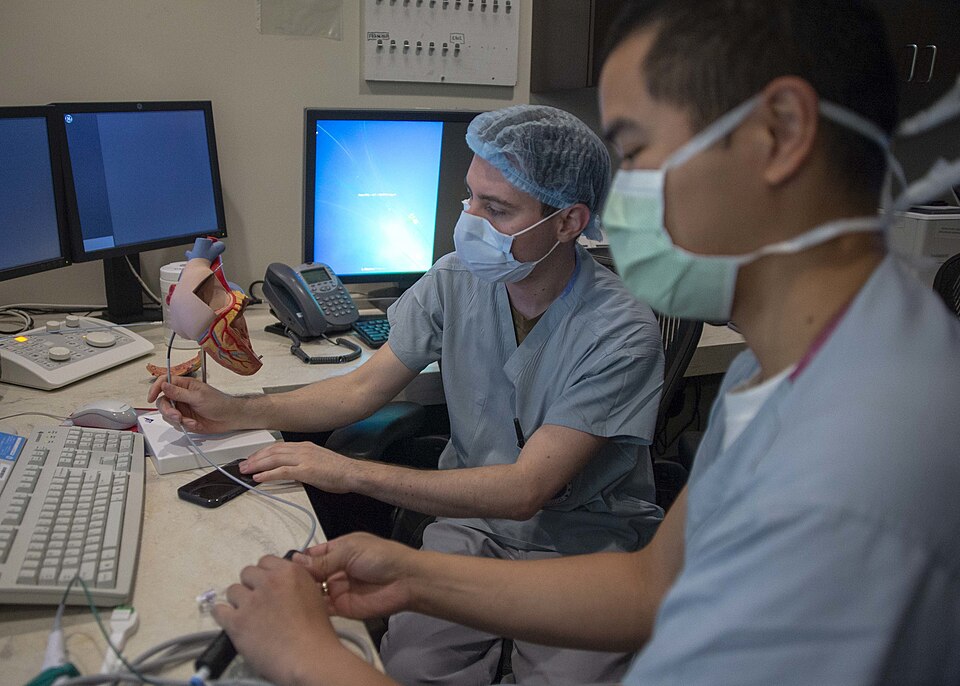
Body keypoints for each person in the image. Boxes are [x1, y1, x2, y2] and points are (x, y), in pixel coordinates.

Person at [207, 1, 960, 685]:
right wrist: (415, 575)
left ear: (780, 134)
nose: (615, 199)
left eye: (632, 152)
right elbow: (651, 588)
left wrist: (312, 661)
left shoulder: (853, 467)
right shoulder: (792, 367)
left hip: (577, 540)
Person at [150, 104, 665, 685]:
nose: (468, 220)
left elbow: (526, 491)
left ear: (569, 222)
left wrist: (348, 471)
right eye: (470, 198)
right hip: (470, 528)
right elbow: (362, 388)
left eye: (495, 209)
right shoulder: (457, 278)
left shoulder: (621, 331)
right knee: (411, 668)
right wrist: (236, 411)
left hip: (585, 549)